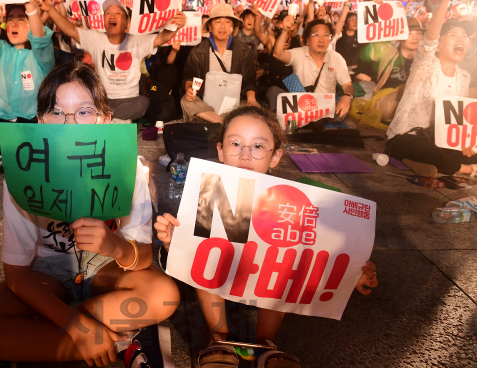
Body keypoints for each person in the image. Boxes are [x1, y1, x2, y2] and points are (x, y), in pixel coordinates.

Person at [0, 62, 180, 367]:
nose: (70, 123)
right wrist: (77, 324)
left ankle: (44, 336)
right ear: (40, 120)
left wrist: (113, 246)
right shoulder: (21, 177)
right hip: (47, 272)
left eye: (84, 111)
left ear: (105, 118)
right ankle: (114, 339)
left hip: (106, 270)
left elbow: (141, 259)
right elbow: (17, 275)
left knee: (164, 295)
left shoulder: (131, 170)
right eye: (57, 112)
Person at [154, 105, 378, 368]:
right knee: (206, 244)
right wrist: (173, 243)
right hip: (223, 278)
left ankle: (267, 343)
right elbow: (184, 258)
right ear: (221, 151)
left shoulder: (296, 203)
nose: (246, 155)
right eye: (235, 143)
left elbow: (324, 249)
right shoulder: (206, 193)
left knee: (289, 251)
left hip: (266, 282)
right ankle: (219, 337)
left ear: (275, 157)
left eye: (259, 146)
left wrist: (352, 272)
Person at [386, 0, 476, 177]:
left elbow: (457, 121)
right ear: (438, 44)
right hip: (405, 136)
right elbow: (431, 35)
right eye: (453, 35)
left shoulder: (464, 77)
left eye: (465, 36)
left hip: (438, 140)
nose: (461, 39)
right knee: (420, 148)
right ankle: (464, 170)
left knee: (461, 151)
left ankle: (437, 165)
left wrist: (465, 142)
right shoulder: (425, 63)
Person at [44, 0, 187, 122]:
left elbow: (162, 37)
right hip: (103, 99)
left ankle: (104, 117)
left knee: (143, 103)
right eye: (108, 13)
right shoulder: (96, 38)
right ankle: (111, 117)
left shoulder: (137, 41)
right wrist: (50, 9)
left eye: (118, 13)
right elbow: (71, 30)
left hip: (131, 100)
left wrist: (175, 25)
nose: (112, 16)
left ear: (126, 22)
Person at [181, 3, 259, 124]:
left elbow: (249, 80)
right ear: (210, 27)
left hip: (234, 103)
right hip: (206, 104)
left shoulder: (243, 50)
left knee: (253, 109)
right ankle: (225, 122)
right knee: (186, 101)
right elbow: (189, 75)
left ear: (233, 26)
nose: (222, 26)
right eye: (217, 22)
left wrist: (251, 99)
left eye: (227, 22)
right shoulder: (198, 51)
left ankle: (216, 121)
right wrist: (189, 89)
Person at [267, 16, 354, 119]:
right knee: (273, 92)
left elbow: (348, 85)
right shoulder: (298, 53)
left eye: (326, 35)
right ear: (307, 40)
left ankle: (306, 121)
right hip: (300, 104)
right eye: (316, 35)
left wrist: (347, 97)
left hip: (323, 106)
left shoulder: (336, 58)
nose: (321, 40)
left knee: (341, 112)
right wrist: (286, 30)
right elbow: (278, 54)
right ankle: (307, 121)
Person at [352, 18, 424, 123]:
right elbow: (374, 40)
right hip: (387, 99)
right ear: (400, 37)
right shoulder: (388, 52)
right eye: (410, 33)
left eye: (419, 33)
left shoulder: (425, 59)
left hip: (414, 100)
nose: (415, 38)